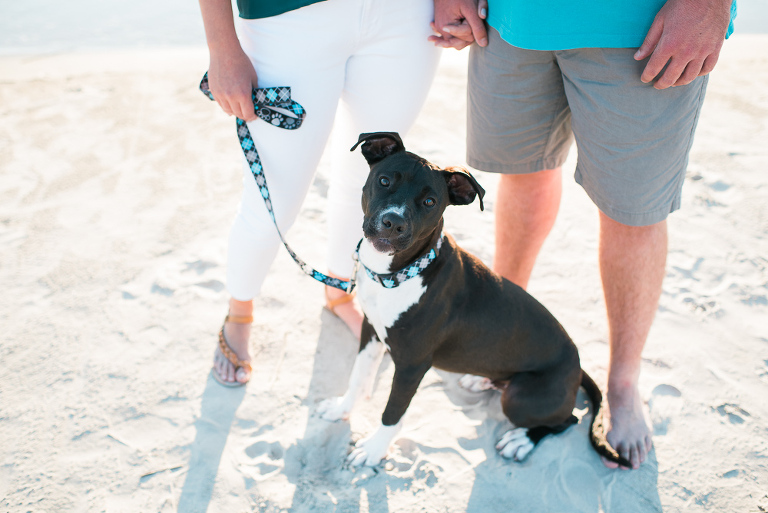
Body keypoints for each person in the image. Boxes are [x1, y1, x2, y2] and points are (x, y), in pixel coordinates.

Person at [429, 0, 736, 470]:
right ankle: (504, 332)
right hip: (511, 19)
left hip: (639, 27)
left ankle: (622, 384)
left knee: (634, 212)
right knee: (523, 173)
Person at [199, 0, 441, 387]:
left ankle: (338, 288)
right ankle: (240, 312)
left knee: (369, 183)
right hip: (287, 17)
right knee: (273, 201)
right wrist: (221, 46)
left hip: (407, 16)